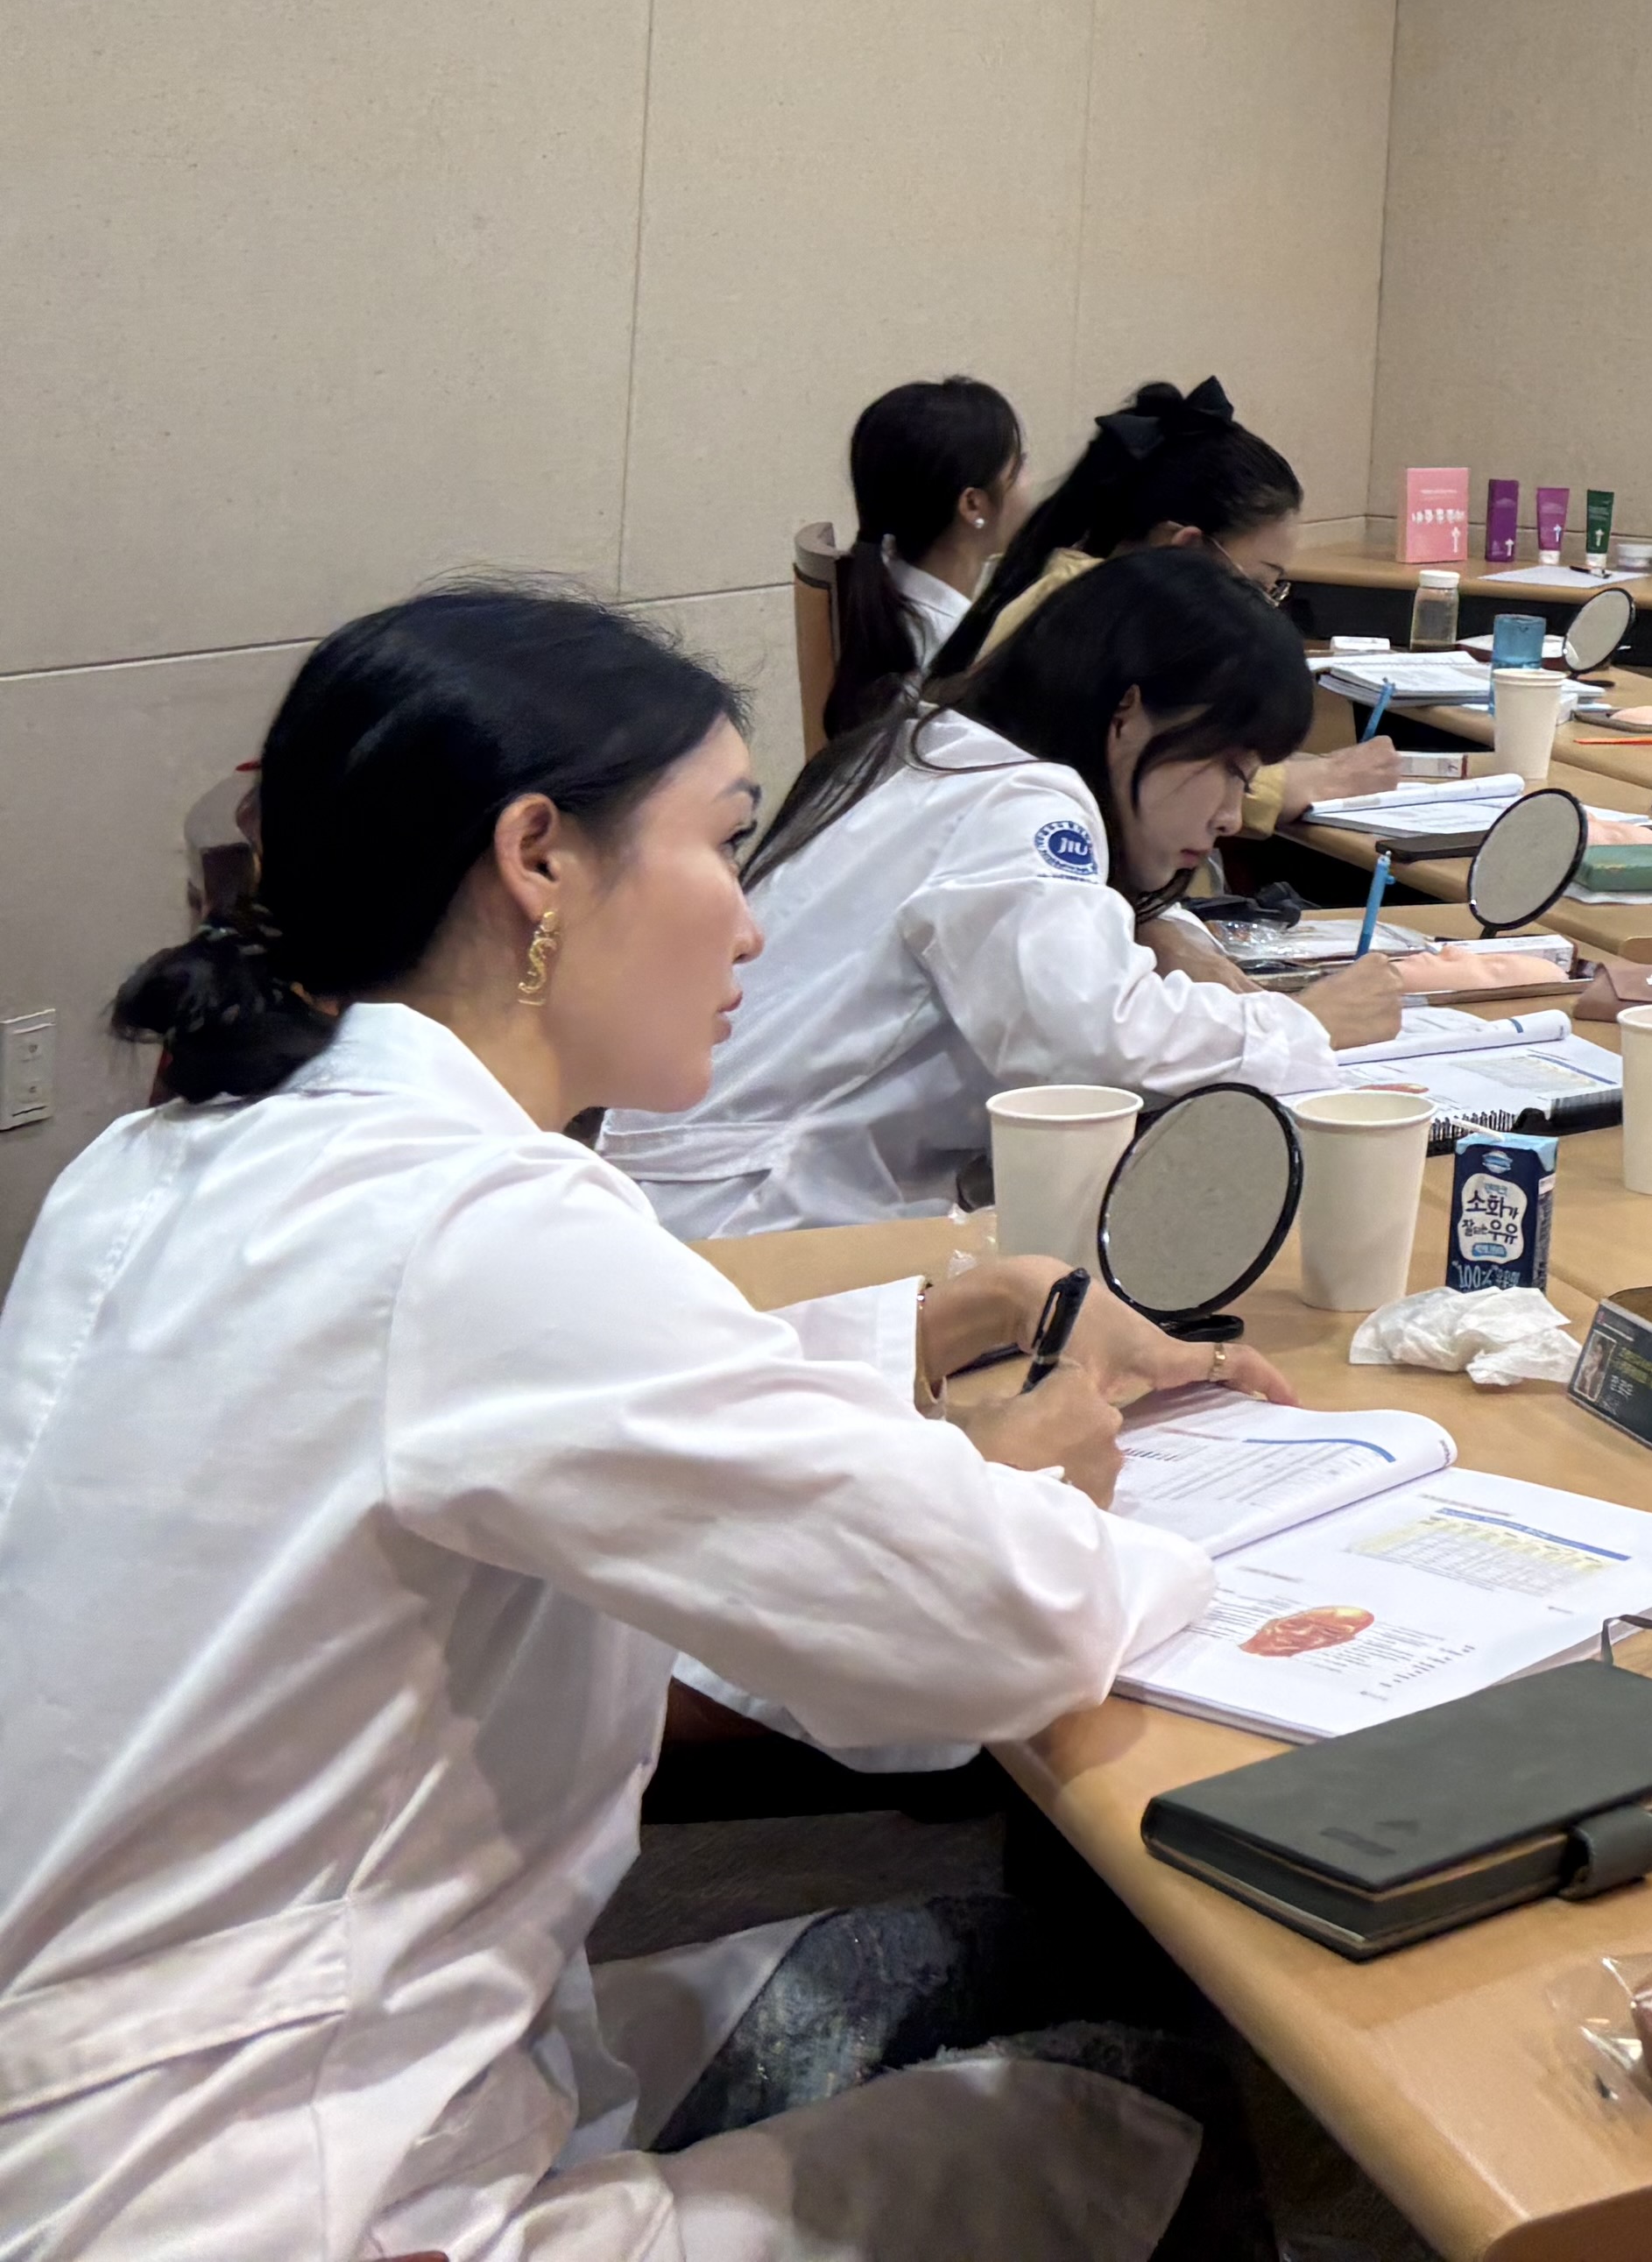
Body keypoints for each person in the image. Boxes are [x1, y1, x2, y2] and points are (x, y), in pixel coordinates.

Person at [0, 585, 1266, 2260]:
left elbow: (529, 1400)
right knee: (1152, 2111)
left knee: (1015, 1958)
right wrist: (1044, 1478)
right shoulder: (478, 1225)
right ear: (539, 857)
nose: (752, 925)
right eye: (725, 845)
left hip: (141, 2083)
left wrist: (934, 1315)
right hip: (272, 2184)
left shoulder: (168, 1158)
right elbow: (999, 1618)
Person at [610, 549, 1415, 1236]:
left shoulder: (935, 747)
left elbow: (1057, 945)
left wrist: (1166, 931)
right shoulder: (1023, 804)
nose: (1233, 814)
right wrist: (1304, 1025)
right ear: (1129, 713)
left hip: (707, 1188)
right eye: (1230, 769)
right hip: (761, 1218)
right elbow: (1088, 1043)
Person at [940, 376, 1400, 822]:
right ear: (1183, 547)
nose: (1262, 608)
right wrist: (1298, 785)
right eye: (1258, 585)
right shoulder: (1089, 621)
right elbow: (1130, 775)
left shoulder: (1080, 589)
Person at [824, 371, 1025, 738]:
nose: (1029, 485)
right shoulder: (968, 659)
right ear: (973, 505)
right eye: (1017, 471)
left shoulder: (883, 583)